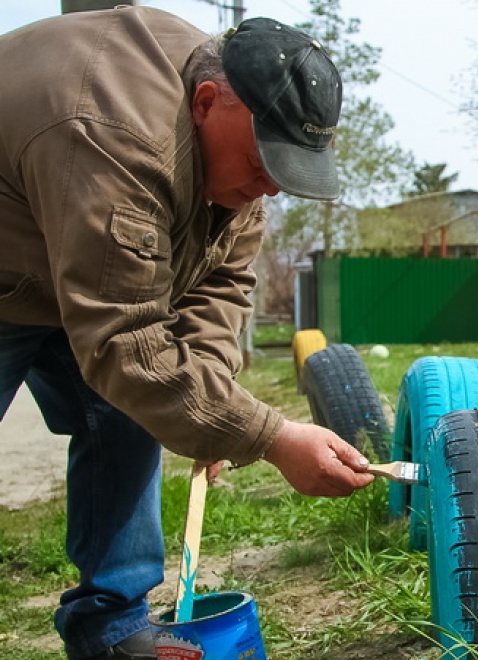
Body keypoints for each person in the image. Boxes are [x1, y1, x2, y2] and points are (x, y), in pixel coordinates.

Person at [0, 7, 375, 659]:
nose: (271, 189)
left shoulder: (235, 168)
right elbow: (128, 345)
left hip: (69, 265)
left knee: (128, 416)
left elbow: (220, 283)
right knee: (134, 381)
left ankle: (112, 628)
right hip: (14, 255)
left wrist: (207, 408)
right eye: (265, 165)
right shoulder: (116, 136)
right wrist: (269, 437)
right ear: (207, 102)